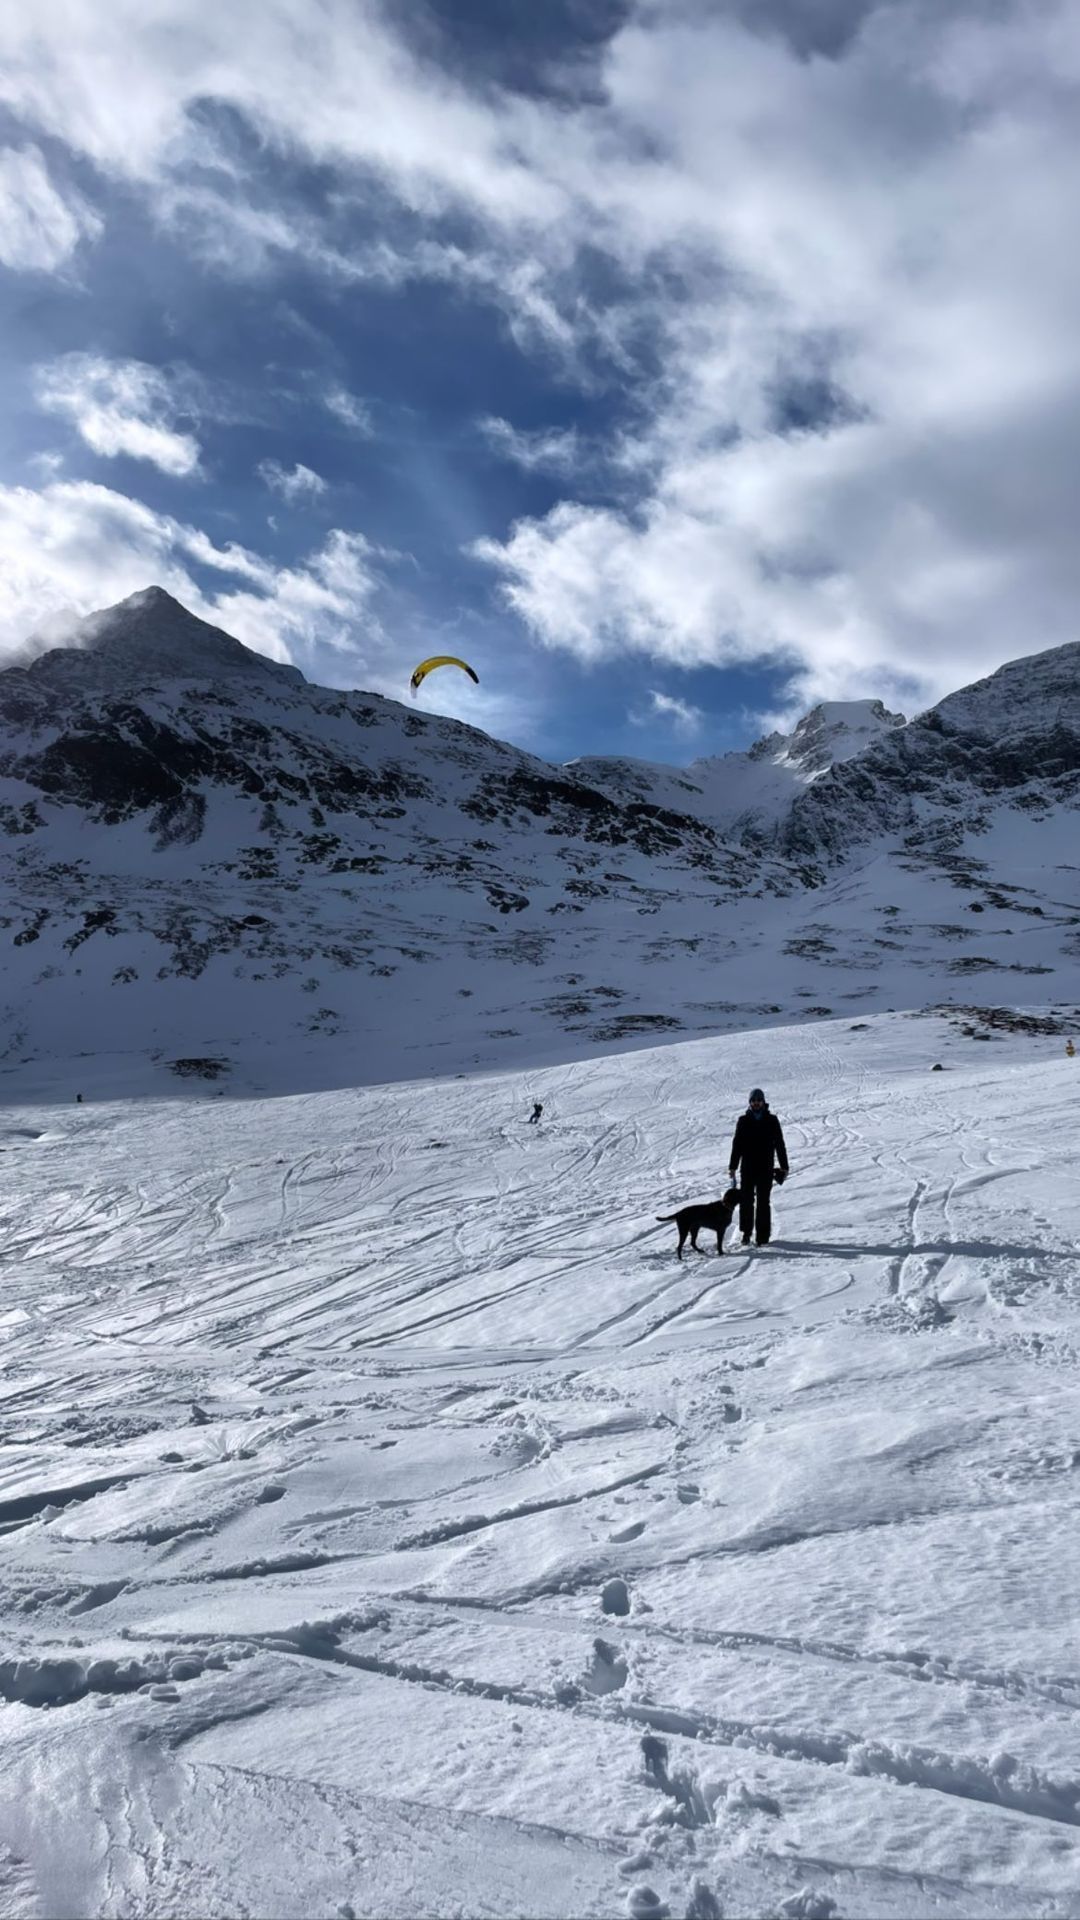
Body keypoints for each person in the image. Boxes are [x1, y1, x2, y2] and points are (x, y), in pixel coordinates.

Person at [728, 1088, 788, 1247]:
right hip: (747, 1167)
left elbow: (780, 1144)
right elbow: (737, 1145)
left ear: (763, 1102)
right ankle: (746, 1233)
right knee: (746, 1201)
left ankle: (762, 1236)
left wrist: (784, 1166)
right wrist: (733, 1166)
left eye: (758, 1100)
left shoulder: (772, 1120)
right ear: (750, 1103)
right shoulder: (743, 1121)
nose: (756, 1103)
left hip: (765, 1168)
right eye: (753, 1101)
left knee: (763, 1202)